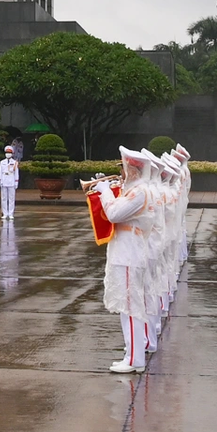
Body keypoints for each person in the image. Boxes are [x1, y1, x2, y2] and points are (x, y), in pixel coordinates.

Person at [92, 146, 154, 373]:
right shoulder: (133, 190)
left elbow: (114, 214)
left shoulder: (139, 192)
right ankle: (131, 354)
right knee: (127, 307)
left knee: (130, 306)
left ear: (133, 169)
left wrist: (105, 192)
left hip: (129, 253)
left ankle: (134, 359)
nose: (122, 171)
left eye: (124, 166)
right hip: (124, 251)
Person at [0, 145, 19, 219]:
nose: (8, 154)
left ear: (12, 153)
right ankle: (5, 213)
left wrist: (16, 182)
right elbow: (0, 172)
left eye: (9, 152)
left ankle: (11, 213)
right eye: (7, 152)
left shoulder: (15, 162)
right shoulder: (2, 162)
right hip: (4, 180)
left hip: (11, 181)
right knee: (3, 198)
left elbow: (16, 173)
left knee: (11, 198)